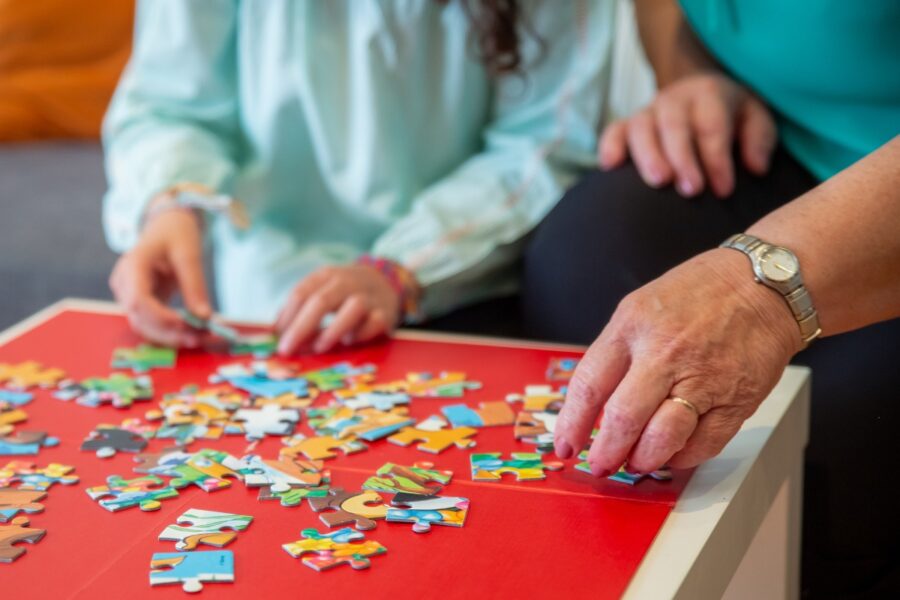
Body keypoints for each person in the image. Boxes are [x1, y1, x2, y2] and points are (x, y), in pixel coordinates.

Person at [523, 1, 900, 596]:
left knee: (846, 416)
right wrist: (693, 76)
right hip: (775, 144)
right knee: (583, 262)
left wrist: (758, 294)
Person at [103, 0, 611, 355]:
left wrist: (401, 267)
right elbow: (171, 104)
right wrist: (170, 204)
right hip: (268, 308)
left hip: (459, 289)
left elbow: (545, 143)